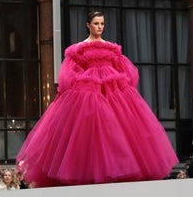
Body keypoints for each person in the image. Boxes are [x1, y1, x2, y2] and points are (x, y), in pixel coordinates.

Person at [16, 10, 178, 187]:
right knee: (90, 130)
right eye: (96, 23)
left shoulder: (111, 48)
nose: (99, 27)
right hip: (88, 91)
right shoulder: (80, 48)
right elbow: (67, 74)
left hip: (113, 90)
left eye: (102, 23)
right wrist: (79, 82)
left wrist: (119, 82)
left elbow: (127, 71)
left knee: (117, 129)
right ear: (88, 25)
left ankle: (118, 170)